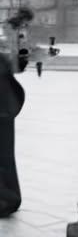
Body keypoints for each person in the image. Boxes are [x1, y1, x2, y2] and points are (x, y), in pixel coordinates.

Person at [0, 53, 24, 216]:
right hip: (5, 114)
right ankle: (9, 198)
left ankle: (6, 199)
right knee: (5, 160)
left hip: (2, 115)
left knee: (3, 160)